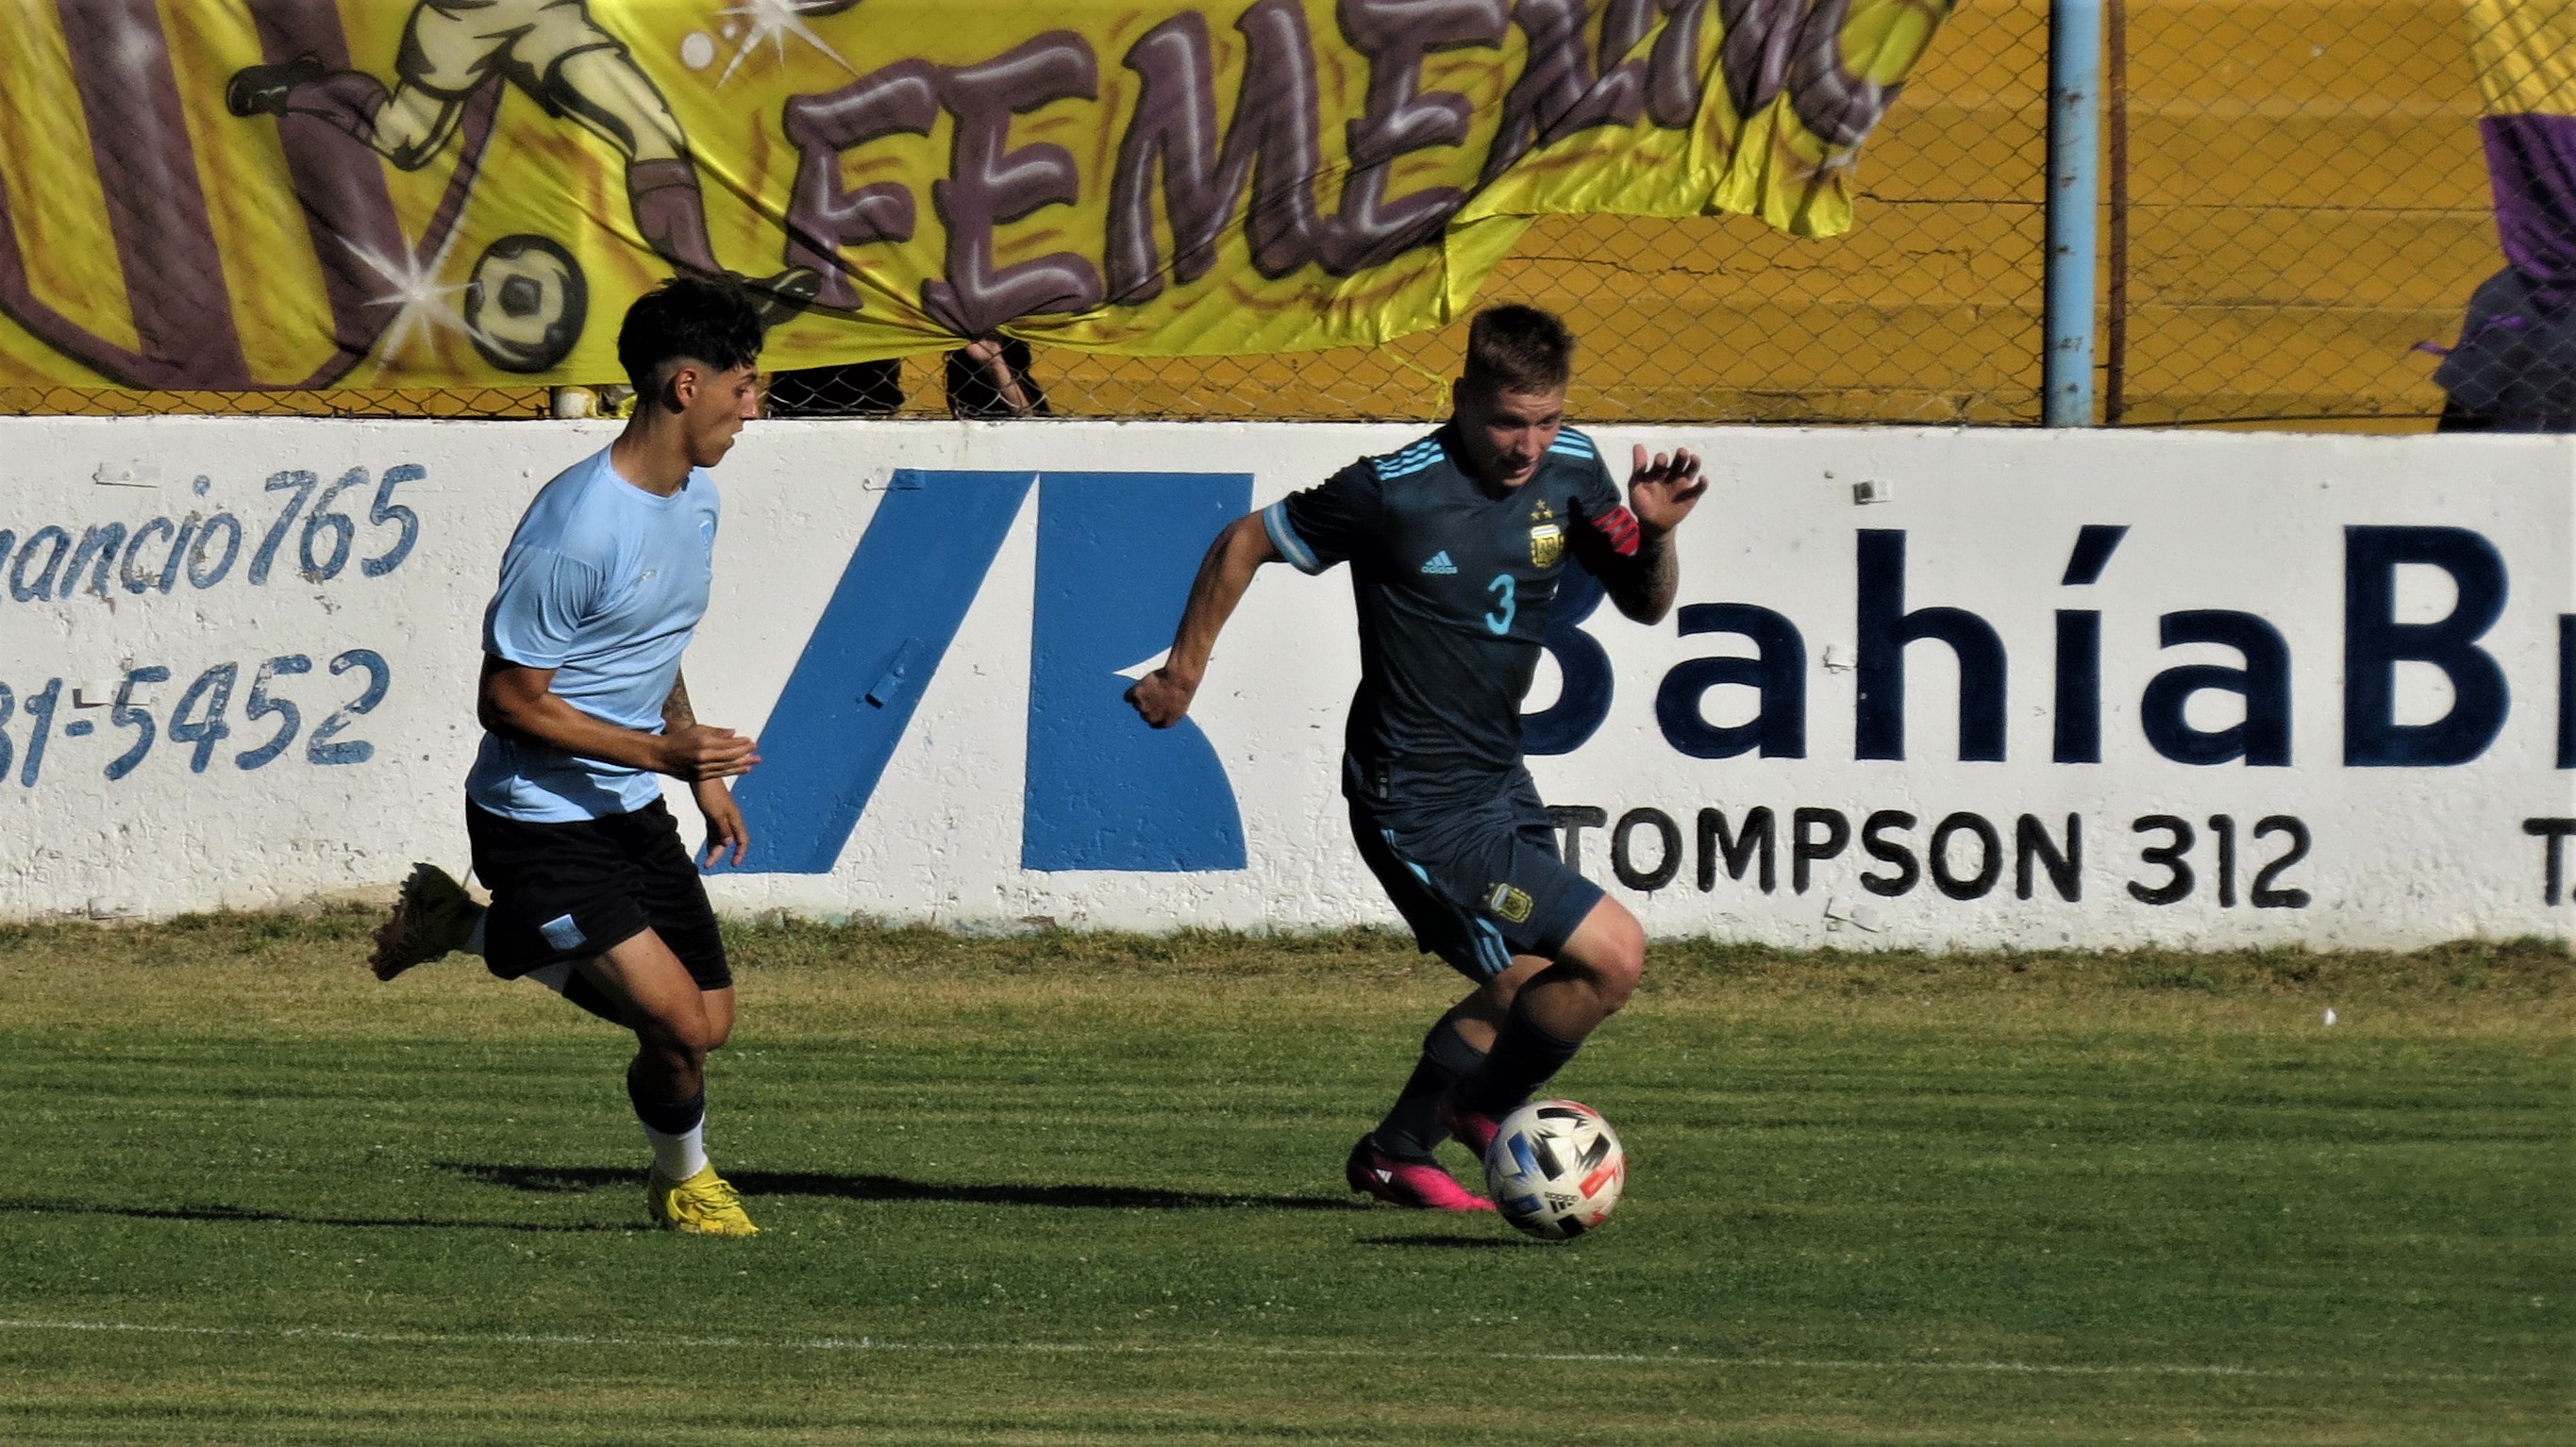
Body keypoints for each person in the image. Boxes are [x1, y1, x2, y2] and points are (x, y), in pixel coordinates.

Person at [1125, 304, 1706, 1210]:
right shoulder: (1391, 489)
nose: (1527, 445)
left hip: (1496, 775)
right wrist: (1182, 675)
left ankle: (1403, 1147)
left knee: (1537, 984)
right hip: (1417, 799)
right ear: (1462, 397)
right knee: (1609, 958)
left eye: (1546, 420)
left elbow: (1644, 604)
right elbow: (1245, 541)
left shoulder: (1577, 466)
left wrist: (1656, 533)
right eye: (1508, 420)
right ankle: (1478, 1112)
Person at [369, 274, 769, 1237]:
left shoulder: (694, 500)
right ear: (684, 386)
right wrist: (663, 754)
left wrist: (696, 767)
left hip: (629, 804)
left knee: (706, 1025)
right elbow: (508, 701)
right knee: (674, 1025)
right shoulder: (577, 527)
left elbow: (650, 649)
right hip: (534, 819)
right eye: (743, 386)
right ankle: (684, 1182)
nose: (753, 409)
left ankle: (463, 930)